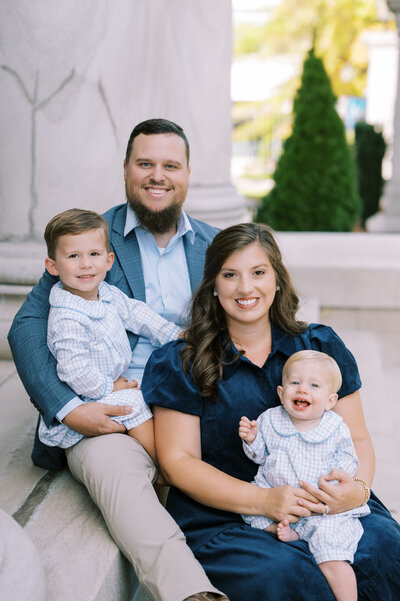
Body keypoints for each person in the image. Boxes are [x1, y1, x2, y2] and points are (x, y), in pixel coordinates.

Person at [8, 119, 229, 601]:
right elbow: (25, 327)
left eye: (170, 165)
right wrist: (69, 408)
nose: (157, 175)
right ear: (126, 170)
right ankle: (192, 593)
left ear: (188, 172)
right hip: (108, 403)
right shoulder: (90, 237)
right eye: (144, 163)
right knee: (121, 480)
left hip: (193, 396)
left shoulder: (216, 245)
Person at [142, 222, 400, 601]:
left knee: (382, 550)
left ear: (277, 279)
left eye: (258, 273)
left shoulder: (319, 345)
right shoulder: (182, 361)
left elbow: (357, 435)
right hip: (226, 517)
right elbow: (178, 461)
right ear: (213, 285)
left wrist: (356, 492)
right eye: (230, 275)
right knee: (288, 575)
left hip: (330, 508)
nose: (246, 288)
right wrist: (262, 500)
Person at [39, 208, 183, 464]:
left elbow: (137, 314)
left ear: (108, 261)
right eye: (73, 256)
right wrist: (109, 387)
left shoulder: (106, 292)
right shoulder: (67, 316)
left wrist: (175, 334)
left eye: (94, 254)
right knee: (135, 402)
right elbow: (74, 371)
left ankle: (175, 453)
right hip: (87, 397)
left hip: (111, 383)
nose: (85, 264)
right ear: (53, 266)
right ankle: (164, 466)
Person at [239, 350, 370, 601]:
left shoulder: (334, 427)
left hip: (320, 505)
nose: (302, 390)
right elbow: (258, 456)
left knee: (333, 554)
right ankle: (288, 530)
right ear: (281, 392)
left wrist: (338, 478)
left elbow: (349, 457)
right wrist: (252, 439)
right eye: (295, 383)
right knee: (250, 513)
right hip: (276, 499)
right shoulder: (270, 419)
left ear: (330, 400)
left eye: (314, 385)